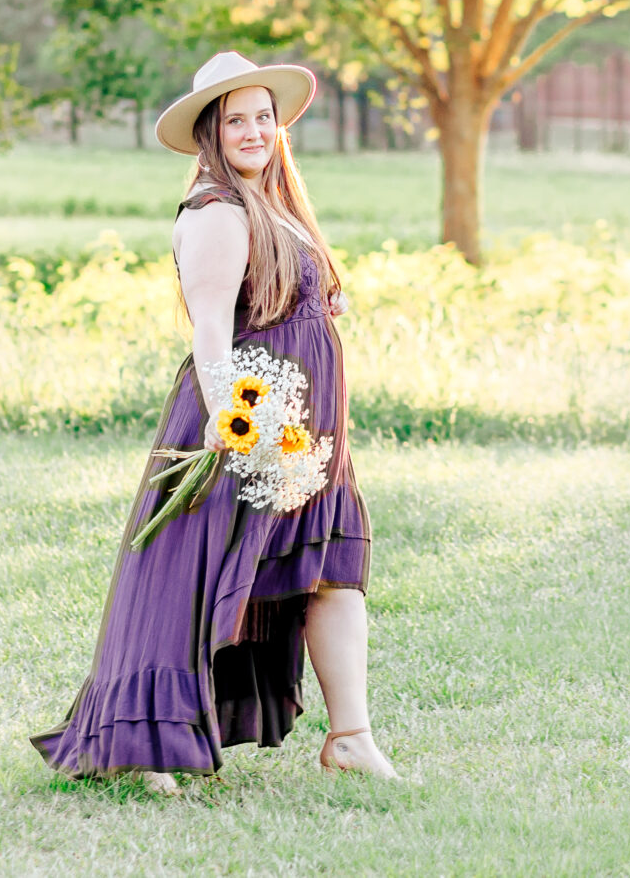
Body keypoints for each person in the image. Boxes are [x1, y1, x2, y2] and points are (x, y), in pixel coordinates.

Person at [33, 52, 396, 786]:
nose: (256, 130)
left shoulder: (275, 206)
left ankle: (351, 736)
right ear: (212, 131)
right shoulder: (216, 211)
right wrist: (246, 428)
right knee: (192, 583)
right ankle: (146, 743)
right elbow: (210, 335)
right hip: (246, 427)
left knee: (329, 571)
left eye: (265, 116)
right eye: (238, 120)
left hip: (307, 433)